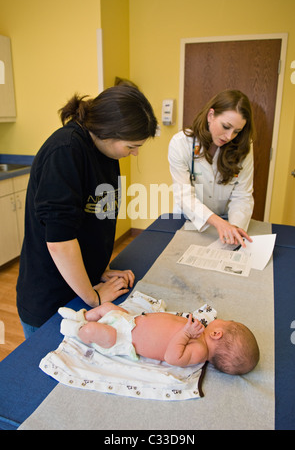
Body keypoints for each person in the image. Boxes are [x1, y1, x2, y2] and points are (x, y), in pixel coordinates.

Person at [17, 86, 158, 338]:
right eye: (131, 146)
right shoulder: (65, 151)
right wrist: (93, 298)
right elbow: (60, 242)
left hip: (83, 284)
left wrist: (97, 270)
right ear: (107, 132)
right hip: (52, 299)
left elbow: (95, 216)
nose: (135, 152)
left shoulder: (105, 150)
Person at [59, 302, 260, 375]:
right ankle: (80, 316)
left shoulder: (199, 351)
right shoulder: (199, 332)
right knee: (107, 308)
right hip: (130, 320)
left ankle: (76, 329)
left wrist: (185, 333)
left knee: (95, 331)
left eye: (224, 321)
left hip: (123, 339)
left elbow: (173, 357)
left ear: (217, 334)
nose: (219, 320)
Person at [168, 89, 256, 248]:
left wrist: (235, 227)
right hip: (188, 218)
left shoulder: (243, 148)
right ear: (211, 115)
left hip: (226, 219)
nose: (229, 137)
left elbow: (242, 195)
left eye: (237, 131)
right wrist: (218, 222)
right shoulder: (181, 144)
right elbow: (184, 195)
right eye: (226, 126)